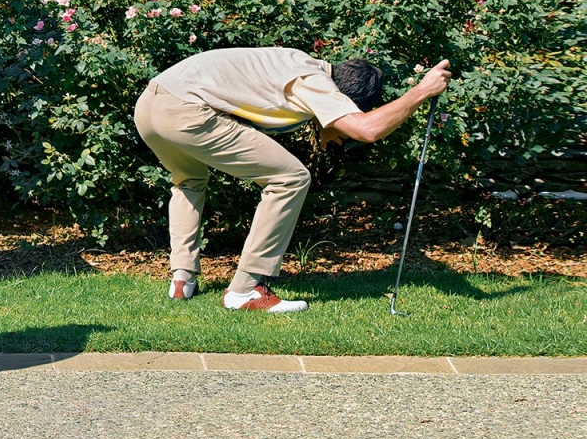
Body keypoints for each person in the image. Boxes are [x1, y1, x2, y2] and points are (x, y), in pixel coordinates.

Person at [134, 46, 451, 312]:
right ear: (347, 99)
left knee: (189, 180)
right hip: (187, 111)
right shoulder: (316, 83)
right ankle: (246, 290)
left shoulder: (298, 62)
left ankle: (182, 280)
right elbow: (366, 129)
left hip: (150, 105)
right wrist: (421, 91)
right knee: (291, 178)